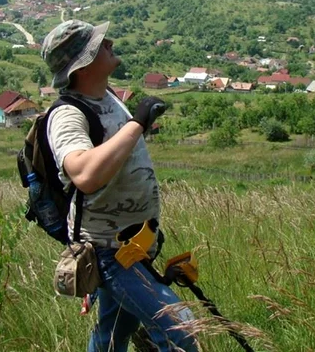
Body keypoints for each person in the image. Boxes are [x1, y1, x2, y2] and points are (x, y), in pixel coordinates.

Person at [41, 20, 198, 352]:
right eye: (99, 43)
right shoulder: (67, 115)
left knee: (111, 336)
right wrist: (138, 123)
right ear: (82, 63)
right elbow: (84, 175)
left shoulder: (107, 96)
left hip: (135, 245)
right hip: (110, 253)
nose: (109, 41)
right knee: (180, 330)